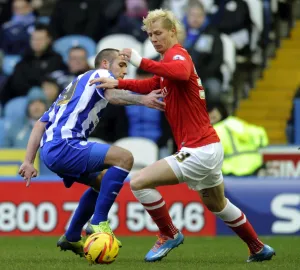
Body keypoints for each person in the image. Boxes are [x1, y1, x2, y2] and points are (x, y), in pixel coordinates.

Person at [90, 9, 275, 263]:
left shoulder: (178, 56)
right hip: (208, 147)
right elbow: (152, 83)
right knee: (217, 204)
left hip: (199, 150)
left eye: (159, 33)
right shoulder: (168, 63)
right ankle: (257, 247)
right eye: (150, 34)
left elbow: (179, 72)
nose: (154, 38)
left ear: (173, 32)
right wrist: (118, 83)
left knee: (139, 182)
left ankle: (169, 233)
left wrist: (139, 60)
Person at [18, 48, 166, 257]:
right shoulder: (101, 75)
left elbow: (40, 125)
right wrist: (143, 99)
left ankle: (71, 237)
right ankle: (98, 222)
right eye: (121, 65)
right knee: (125, 158)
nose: (125, 72)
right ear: (105, 64)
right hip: (65, 145)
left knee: (101, 182)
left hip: (52, 150)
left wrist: (28, 161)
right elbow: (113, 95)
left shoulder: (72, 88)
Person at [1, 23, 66, 105]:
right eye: (34, 39)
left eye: (40, 39)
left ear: (49, 40)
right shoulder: (23, 60)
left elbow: (60, 80)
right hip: (26, 100)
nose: (36, 42)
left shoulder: (57, 59)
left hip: (52, 101)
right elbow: (17, 84)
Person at [208, 102, 269, 176]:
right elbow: (262, 140)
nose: (210, 115)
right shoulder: (236, 122)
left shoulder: (216, 130)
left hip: (232, 173)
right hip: (255, 168)